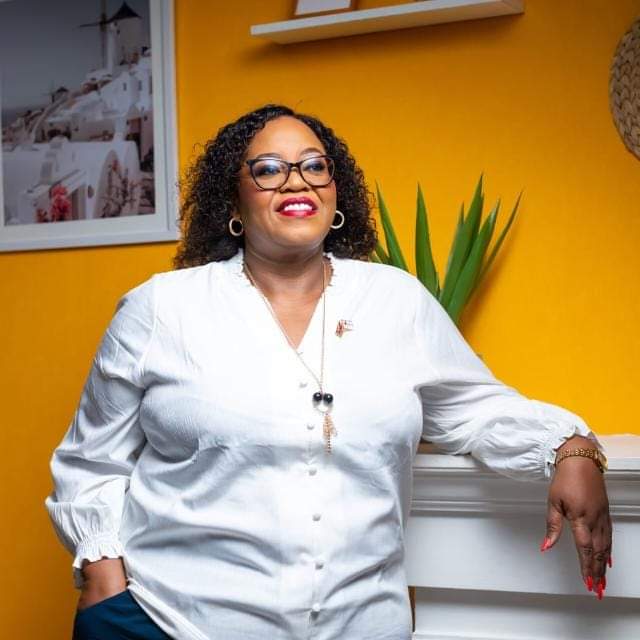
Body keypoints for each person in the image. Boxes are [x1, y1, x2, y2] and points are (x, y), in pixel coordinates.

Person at [45, 104, 612, 640]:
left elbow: (475, 409)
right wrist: (103, 580)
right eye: (269, 169)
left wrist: (569, 447)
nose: (297, 182)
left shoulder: (396, 300)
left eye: (315, 166)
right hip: (171, 621)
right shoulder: (161, 309)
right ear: (233, 202)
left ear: (336, 192)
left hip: (362, 623)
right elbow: (90, 462)